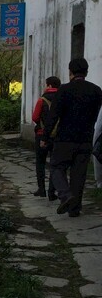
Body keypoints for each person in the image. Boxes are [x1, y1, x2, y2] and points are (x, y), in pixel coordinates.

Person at [43, 57, 102, 217]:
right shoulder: (96, 91)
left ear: (70, 72)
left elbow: (53, 115)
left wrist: (45, 137)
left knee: (56, 167)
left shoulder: (64, 90)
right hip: (85, 139)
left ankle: (65, 195)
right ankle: (74, 209)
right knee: (78, 175)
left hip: (65, 139)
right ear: (86, 72)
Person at [31, 75, 60, 198]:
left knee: (40, 163)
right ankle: (52, 191)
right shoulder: (62, 99)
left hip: (41, 135)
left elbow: (35, 117)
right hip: (57, 136)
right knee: (55, 164)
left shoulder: (42, 100)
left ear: (49, 86)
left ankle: (41, 189)